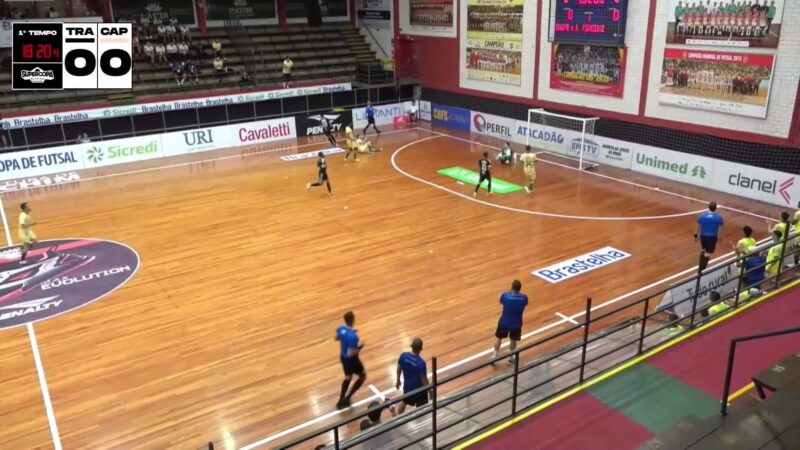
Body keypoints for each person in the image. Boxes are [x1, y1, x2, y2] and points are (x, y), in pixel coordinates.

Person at [491, 279, 528, 363]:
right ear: (519, 288)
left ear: (511, 287)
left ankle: (495, 355)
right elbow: (525, 303)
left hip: (504, 322)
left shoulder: (505, 296)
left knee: (498, 338)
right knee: (513, 340)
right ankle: (511, 356)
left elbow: (500, 301)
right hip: (516, 323)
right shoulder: (524, 298)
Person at [335, 311, 366, 409]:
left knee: (348, 377)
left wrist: (349, 333)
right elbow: (352, 353)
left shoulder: (340, 328)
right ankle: (348, 398)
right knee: (362, 376)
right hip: (352, 360)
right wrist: (360, 346)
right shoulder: (353, 336)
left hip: (343, 357)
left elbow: (336, 338)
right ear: (353, 319)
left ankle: (341, 399)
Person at [396, 337, 430, 414]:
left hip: (407, 388)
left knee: (404, 401)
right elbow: (424, 379)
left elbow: (398, 368)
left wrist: (398, 380)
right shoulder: (421, 363)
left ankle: (397, 418)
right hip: (419, 391)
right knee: (422, 409)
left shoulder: (403, 356)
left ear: (412, 346)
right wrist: (430, 391)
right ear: (421, 348)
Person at [694, 201, 723, 269]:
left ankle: (701, 258)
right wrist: (719, 239)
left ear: (708, 207)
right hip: (712, 237)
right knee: (708, 253)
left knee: (704, 249)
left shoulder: (701, 216)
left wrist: (695, 236)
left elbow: (697, 227)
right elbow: (720, 230)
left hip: (703, 236)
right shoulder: (719, 218)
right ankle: (702, 268)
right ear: (715, 208)